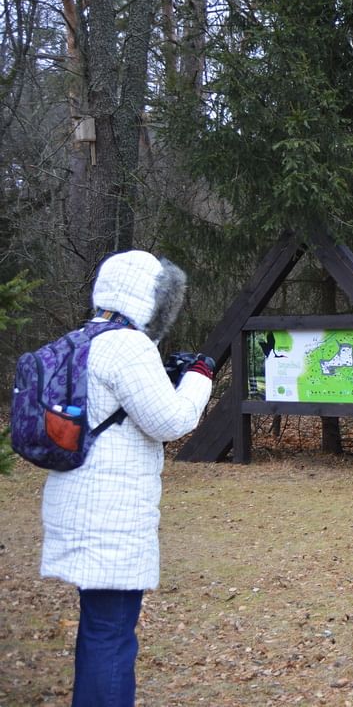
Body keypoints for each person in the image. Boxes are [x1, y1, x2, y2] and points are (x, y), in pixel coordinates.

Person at [40, 250, 214, 707]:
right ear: (148, 297)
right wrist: (198, 377)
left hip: (75, 502)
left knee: (99, 628)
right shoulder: (128, 347)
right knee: (113, 634)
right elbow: (170, 421)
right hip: (110, 517)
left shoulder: (80, 339)